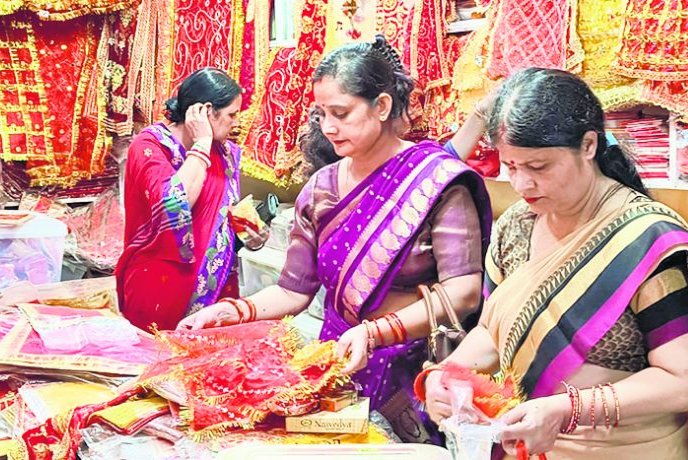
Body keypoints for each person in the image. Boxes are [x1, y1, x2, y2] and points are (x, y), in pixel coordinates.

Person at [417, 68, 688, 459]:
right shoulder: (516, 226)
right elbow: (494, 330)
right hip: (531, 444)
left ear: (588, 145)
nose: (522, 184)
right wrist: (446, 374)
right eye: (511, 166)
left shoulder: (644, 239)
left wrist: (566, 409)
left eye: (538, 167)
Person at [179, 37, 494, 443]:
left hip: (414, 379)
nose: (328, 127)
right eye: (322, 114)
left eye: (341, 114)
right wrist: (232, 311)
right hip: (337, 369)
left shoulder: (436, 182)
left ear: (382, 106)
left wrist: (375, 333)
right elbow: (293, 291)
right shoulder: (320, 188)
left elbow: (464, 292)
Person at [116, 67, 267, 331]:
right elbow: (175, 206)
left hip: (214, 292)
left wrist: (251, 233)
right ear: (206, 112)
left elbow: (223, 211)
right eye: (232, 114)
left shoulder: (225, 152)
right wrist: (202, 143)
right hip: (160, 289)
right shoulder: (150, 147)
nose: (236, 122)